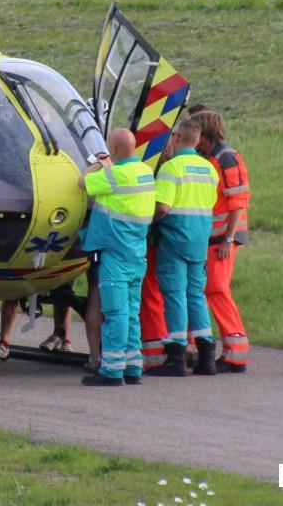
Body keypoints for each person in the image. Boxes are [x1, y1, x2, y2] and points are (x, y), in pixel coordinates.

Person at [79, 128, 156, 387]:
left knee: (115, 314)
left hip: (115, 256)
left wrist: (98, 163)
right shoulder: (145, 172)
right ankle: (133, 367)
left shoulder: (112, 175)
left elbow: (81, 183)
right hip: (137, 254)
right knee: (133, 313)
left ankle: (111, 371)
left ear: (113, 148)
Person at [149, 120, 219, 377]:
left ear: (176, 137)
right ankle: (207, 359)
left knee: (175, 295)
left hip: (176, 238)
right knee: (196, 295)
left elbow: (163, 207)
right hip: (200, 239)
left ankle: (176, 359)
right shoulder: (209, 169)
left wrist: (147, 221)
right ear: (198, 139)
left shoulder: (171, 168)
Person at [189, 110, 252, 373]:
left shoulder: (226, 158)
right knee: (206, 290)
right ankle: (203, 346)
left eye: (198, 135)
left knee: (216, 290)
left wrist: (228, 238)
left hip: (223, 239)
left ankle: (236, 355)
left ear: (206, 134)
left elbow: (238, 201)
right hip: (214, 237)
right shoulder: (214, 158)